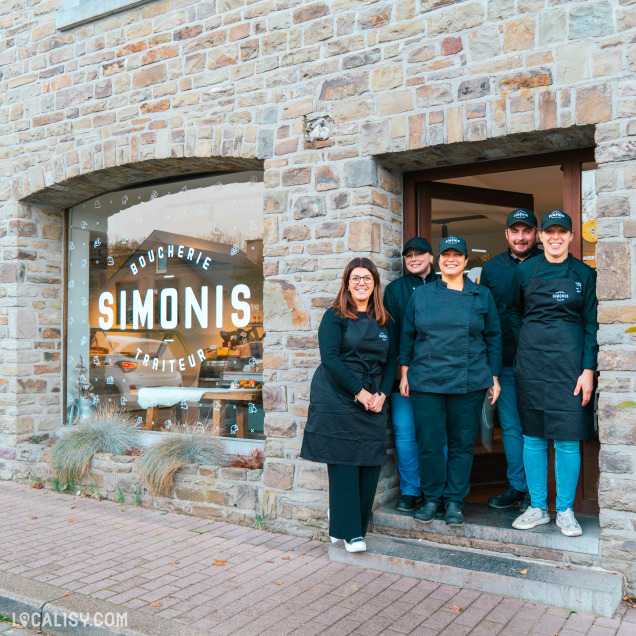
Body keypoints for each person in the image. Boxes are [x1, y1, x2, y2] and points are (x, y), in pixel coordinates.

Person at [399, 236, 502, 527]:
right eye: (446, 254)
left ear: (466, 261)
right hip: (426, 380)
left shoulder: (482, 295)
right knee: (430, 443)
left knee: (461, 444)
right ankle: (432, 498)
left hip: (469, 380)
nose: (451, 259)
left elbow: (494, 337)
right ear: (438, 260)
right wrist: (405, 372)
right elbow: (408, 334)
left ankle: (454, 500)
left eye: (458, 255)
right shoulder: (421, 295)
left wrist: (494, 377)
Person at [508, 211, 598, 537]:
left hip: (571, 368)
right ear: (541, 236)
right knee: (532, 436)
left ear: (572, 236)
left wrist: (588, 369)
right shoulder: (525, 271)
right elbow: (514, 313)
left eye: (562, 232)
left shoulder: (585, 274)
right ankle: (537, 507)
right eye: (550, 232)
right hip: (530, 365)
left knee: (567, 438)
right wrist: (529, 345)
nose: (555, 237)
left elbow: (592, 325)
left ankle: (565, 510)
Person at [300, 257, 396, 553]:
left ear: (375, 283)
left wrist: (382, 394)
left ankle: (346, 520)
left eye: (367, 278)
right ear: (347, 283)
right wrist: (359, 392)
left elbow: (392, 359)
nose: (361, 283)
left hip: (372, 397)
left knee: (369, 462)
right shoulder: (334, 316)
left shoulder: (385, 320)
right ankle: (351, 532)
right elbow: (330, 358)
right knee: (343, 461)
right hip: (338, 395)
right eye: (356, 278)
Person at [480, 209, 542, 511]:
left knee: (539, 426)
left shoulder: (549, 264)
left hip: (541, 363)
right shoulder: (491, 269)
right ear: (506, 234)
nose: (521, 237)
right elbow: (486, 319)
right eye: (515, 231)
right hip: (504, 362)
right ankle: (518, 487)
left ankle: (538, 490)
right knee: (512, 427)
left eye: (526, 231)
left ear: (536, 234)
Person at [383, 237, 437, 512]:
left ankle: (435, 491)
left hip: (438, 376)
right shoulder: (395, 290)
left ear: (431, 257)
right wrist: (396, 372)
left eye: (419, 254)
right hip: (402, 375)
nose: (413, 259)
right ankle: (410, 490)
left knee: (434, 435)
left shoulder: (445, 285)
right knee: (405, 434)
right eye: (408, 255)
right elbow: (390, 334)